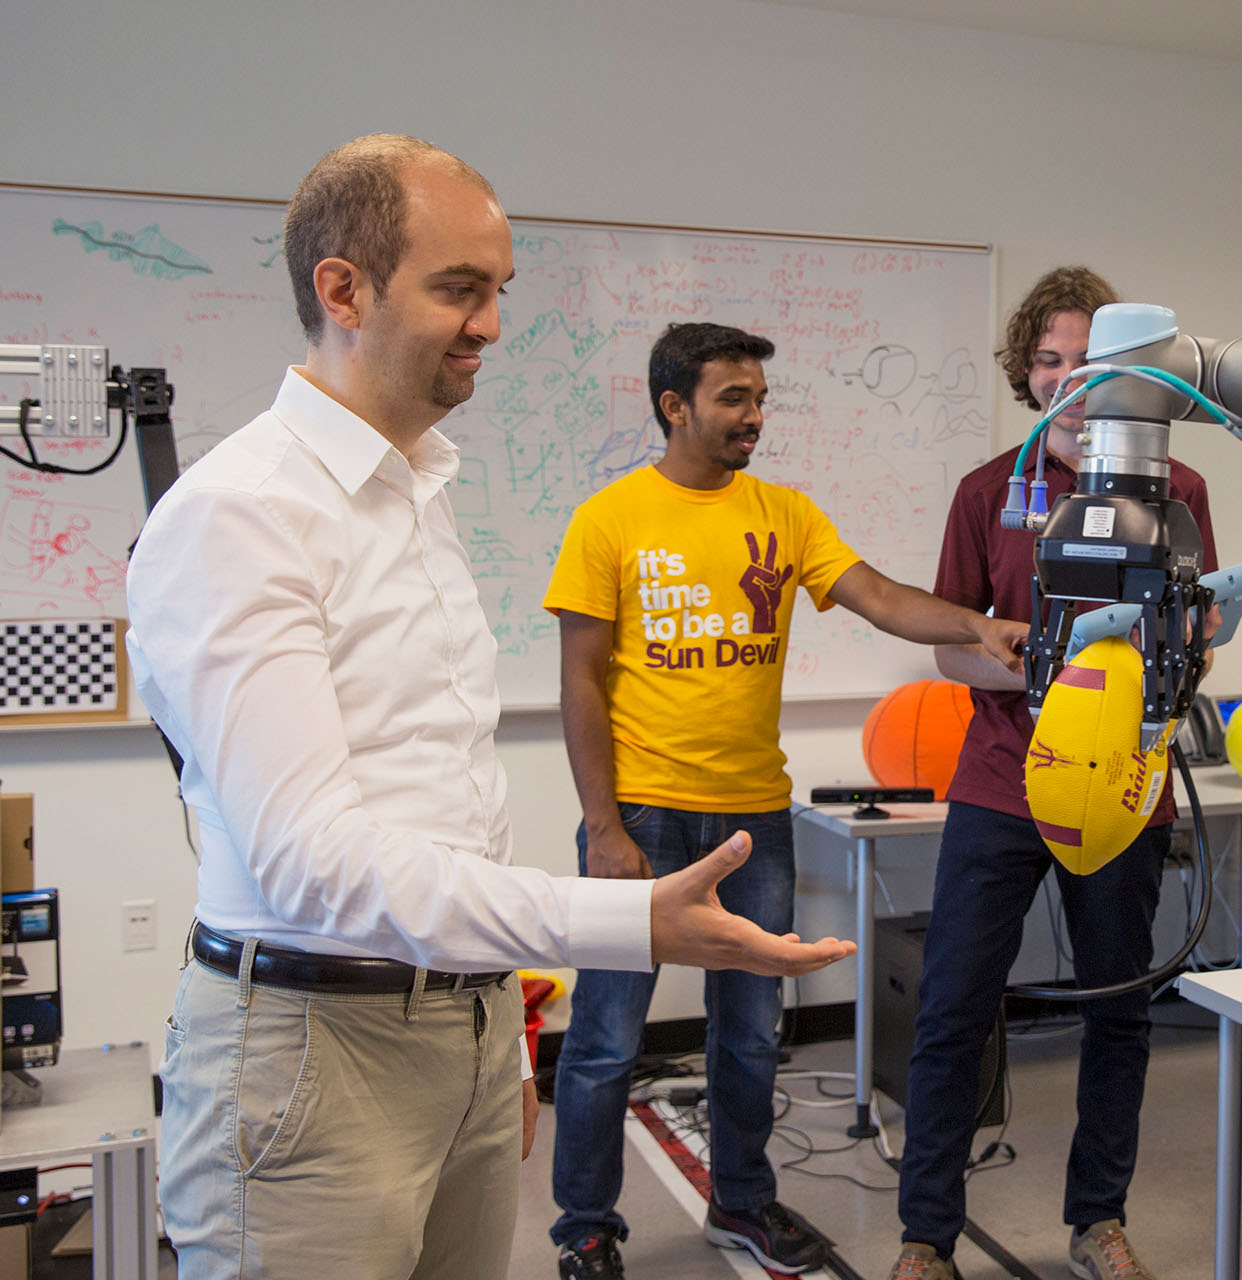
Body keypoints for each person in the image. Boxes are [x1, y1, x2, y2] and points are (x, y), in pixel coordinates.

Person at [124, 135, 854, 1280]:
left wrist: (504, 1041)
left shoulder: (417, 492)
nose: (491, 325)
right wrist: (622, 919)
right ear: (342, 288)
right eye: (459, 288)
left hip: (459, 1031)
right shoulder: (240, 515)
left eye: (498, 291)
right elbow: (315, 862)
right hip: (316, 1051)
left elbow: (441, 794)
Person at [544, 322, 1028, 1279]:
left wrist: (977, 621)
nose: (754, 417)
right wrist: (603, 827)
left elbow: (882, 598)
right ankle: (586, 1228)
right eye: (734, 398)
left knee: (752, 1034)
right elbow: (581, 681)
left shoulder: (785, 512)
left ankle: (745, 1203)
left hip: (753, 818)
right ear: (674, 406)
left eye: (760, 398)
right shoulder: (610, 519)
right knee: (604, 1038)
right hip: (641, 814)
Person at [888, 267, 1218, 1280]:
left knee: (1119, 1005)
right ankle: (924, 1236)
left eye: (1092, 359)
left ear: (1130, 375)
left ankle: (1098, 1220)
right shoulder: (990, 491)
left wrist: (1167, 653)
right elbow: (946, 642)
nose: (1071, 376)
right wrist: (1006, 648)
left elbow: (1202, 635)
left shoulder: (1183, 492)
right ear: (1027, 376)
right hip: (1000, 779)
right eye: (1050, 358)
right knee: (953, 1005)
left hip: (1123, 785)